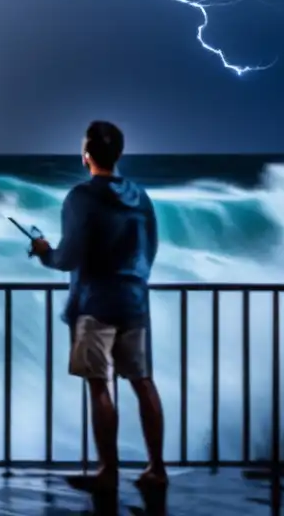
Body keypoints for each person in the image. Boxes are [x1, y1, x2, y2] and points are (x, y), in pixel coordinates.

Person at [29, 120, 167, 492]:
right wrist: (134, 279)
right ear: (118, 154)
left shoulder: (81, 197)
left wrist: (44, 253)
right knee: (143, 382)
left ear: (86, 155)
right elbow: (150, 247)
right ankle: (157, 468)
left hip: (94, 304)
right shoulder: (140, 196)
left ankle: (109, 471)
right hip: (134, 301)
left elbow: (68, 257)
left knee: (99, 386)